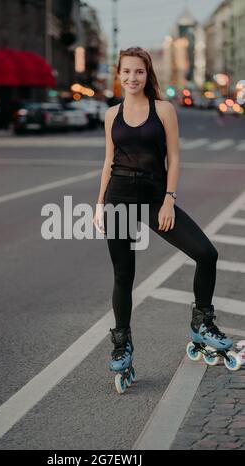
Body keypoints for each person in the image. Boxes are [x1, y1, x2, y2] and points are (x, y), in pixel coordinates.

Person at [93, 47, 233, 383]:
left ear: (147, 74)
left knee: (206, 254)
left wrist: (169, 199)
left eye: (138, 72)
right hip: (120, 196)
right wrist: (100, 204)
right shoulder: (112, 114)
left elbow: (174, 156)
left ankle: (202, 323)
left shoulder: (164, 110)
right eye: (126, 72)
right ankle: (122, 345)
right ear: (119, 75)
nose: (132, 78)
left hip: (156, 197)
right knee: (123, 274)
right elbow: (108, 161)